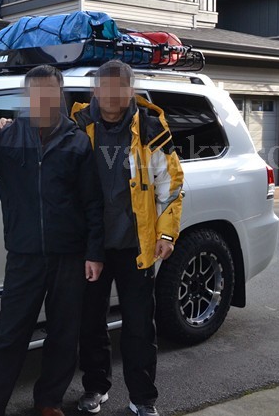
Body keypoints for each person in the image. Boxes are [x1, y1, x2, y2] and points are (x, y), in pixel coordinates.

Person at [0, 64, 105, 416]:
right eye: (36, 92)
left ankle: (49, 402)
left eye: (49, 92)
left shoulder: (78, 141)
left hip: (70, 256)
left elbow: (93, 203)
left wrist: (94, 253)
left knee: (64, 335)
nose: (42, 99)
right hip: (24, 255)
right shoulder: (6, 135)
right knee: (10, 336)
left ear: (59, 94)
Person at [71, 60, 184, 416]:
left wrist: (166, 233)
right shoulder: (76, 125)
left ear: (130, 90)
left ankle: (143, 398)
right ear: (94, 90)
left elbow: (171, 186)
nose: (112, 94)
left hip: (137, 247)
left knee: (139, 327)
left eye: (120, 87)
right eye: (105, 86)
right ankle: (95, 387)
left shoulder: (150, 127)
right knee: (91, 323)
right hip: (91, 247)